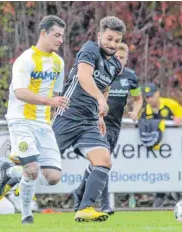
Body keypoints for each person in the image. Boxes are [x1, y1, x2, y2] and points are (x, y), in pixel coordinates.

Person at [0, 15, 68, 224]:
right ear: (43, 33)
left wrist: (54, 109)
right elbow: (20, 92)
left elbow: (57, 95)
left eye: (62, 36)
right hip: (21, 120)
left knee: (53, 177)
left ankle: (11, 172)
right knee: (33, 169)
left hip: (43, 123)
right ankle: (26, 214)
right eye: (57, 35)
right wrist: (49, 101)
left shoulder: (58, 63)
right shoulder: (25, 60)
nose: (60, 40)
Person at [52, 16, 126, 222]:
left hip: (89, 122)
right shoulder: (90, 49)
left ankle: (85, 208)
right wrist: (100, 99)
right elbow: (84, 78)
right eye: (109, 39)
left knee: (103, 161)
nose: (112, 44)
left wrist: (100, 113)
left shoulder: (116, 66)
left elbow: (105, 87)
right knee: (43, 167)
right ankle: (11, 174)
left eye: (117, 41)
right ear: (100, 35)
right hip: (68, 114)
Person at [72, 42, 143, 215]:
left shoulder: (131, 77)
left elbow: (138, 98)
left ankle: (79, 192)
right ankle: (104, 204)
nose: (118, 60)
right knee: (103, 162)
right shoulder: (103, 72)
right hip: (97, 123)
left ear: (126, 59)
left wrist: (135, 111)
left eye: (122, 58)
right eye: (116, 57)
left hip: (115, 126)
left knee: (98, 164)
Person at [139, 82, 182, 207]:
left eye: (151, 96)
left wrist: (180, 119)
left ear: (158, 94)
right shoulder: (145, 111)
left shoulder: (169, 104)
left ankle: (180, 197)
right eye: (147, 97)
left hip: (173, 149)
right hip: (157, 150)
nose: (149, 99)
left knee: (176, 172)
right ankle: (160, 196)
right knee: (159, 172)